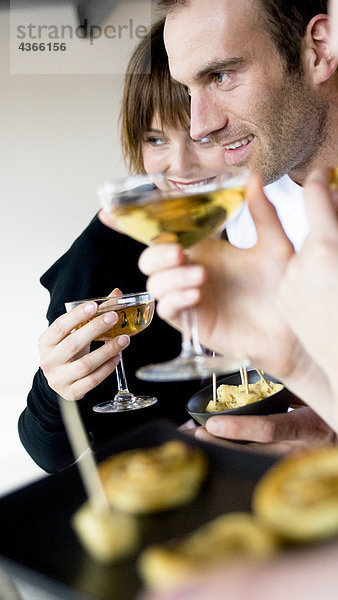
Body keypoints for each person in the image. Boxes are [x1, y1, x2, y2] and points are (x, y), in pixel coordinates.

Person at [139, 0, 338, 448]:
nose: (199, 126)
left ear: (318, 51)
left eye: (221, 76)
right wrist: (295, 365)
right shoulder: (244, 208)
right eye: (188, 89)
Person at [18, 19, 227, 474]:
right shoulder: (99, 257)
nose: (180, 165)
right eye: (155, 139)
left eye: (201, 138)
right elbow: (48, 453)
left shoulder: (274, 225)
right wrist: (55, 390)